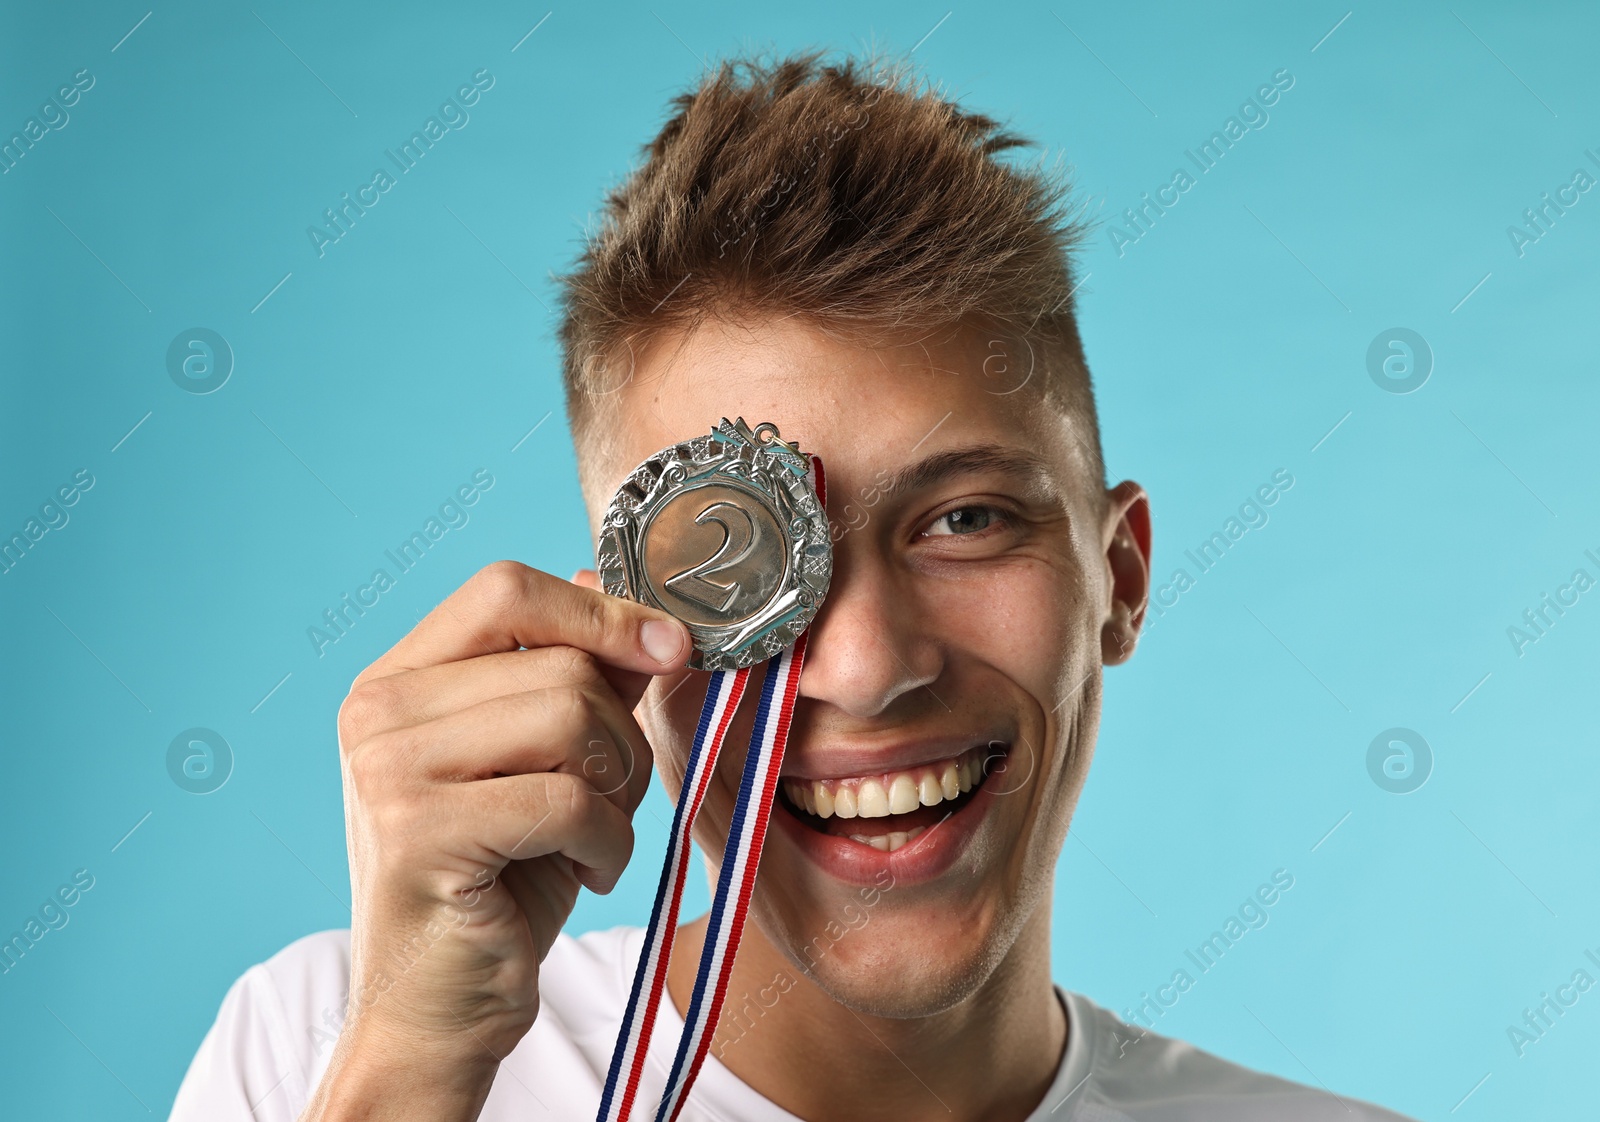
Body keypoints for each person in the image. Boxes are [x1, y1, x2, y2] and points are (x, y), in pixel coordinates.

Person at [170, 49, 1415, 1122]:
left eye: (966, 520)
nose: (868, 667)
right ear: (610, 627)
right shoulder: (322, 1049)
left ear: (1120, 579)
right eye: (737, 554)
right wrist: (404, 1069)